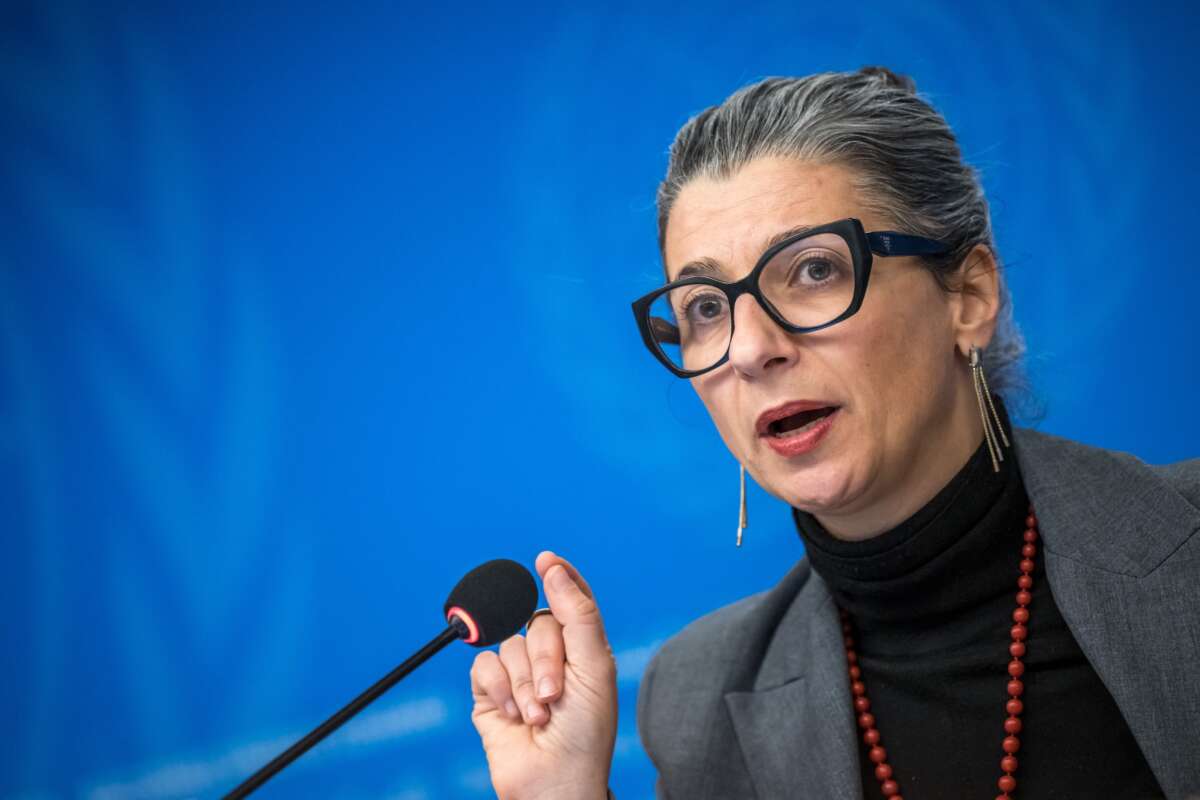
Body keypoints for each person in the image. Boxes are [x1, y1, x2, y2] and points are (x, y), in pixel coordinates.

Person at [467, 67, 1200, 799]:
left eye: (813, 269)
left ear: (969, 296)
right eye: (704, 309)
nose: (752, 349)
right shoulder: (699, 702)